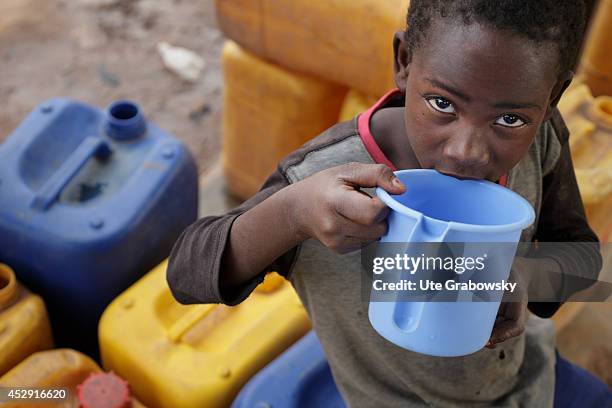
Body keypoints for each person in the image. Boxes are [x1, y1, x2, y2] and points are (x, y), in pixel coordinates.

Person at [167, 1, 610, 406]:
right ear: (403, 62)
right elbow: (186, 274)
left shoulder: (542, 140)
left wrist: (519, 279)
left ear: (551, 98)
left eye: (509, 119)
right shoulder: (322, 179)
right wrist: (292, 214)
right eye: (442, 104)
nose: (466, 152)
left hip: (523, 382)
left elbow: (581, 257)